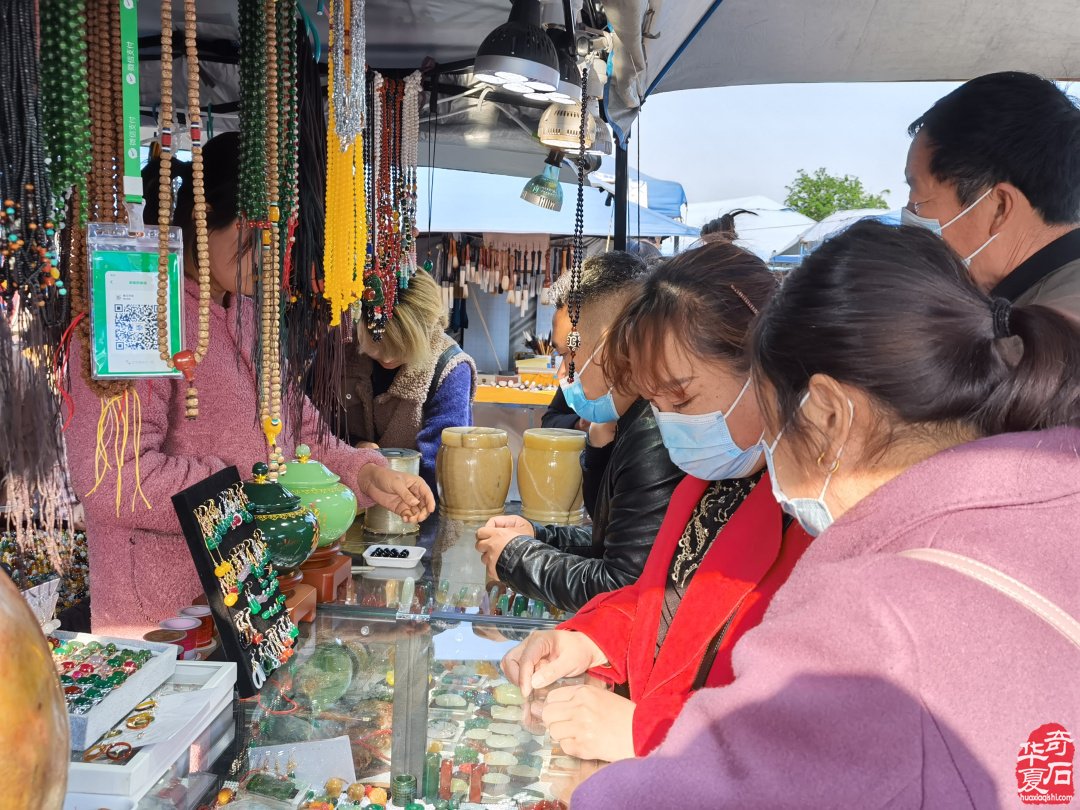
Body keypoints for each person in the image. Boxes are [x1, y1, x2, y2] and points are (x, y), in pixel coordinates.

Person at [568, 221, 1080, 808]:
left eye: (771, 411)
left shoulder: (875, 612)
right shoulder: (1049, 501)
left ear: (831, 415)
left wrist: (640, 736)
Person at [65, 133, 435, 638]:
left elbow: (303, 436)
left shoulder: (246, 313)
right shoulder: (136, 309)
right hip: (160, 620)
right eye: (257, 234)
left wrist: (368, 475)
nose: (272, 254)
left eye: (282, 237)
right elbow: (112, 481)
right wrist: (242, 497)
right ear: (204, 211)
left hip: (250, 602)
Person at [500, 243, 813, 762]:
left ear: (764, 366)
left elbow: (795, 732)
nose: (671, 423)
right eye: (657, 402)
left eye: (682, 398)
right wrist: (585, 642)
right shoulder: (709, 481)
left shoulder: (813, 517)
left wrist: (648, 732)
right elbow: (660, 602)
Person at [475, 251, 683, 613]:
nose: (563, 375)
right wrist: (537, 535)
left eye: (569, 357)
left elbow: (622, 586)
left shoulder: (655, 434)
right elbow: (612, 540)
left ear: (615, 342)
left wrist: (516, 558)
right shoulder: (628, 421)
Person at [904, 71, 1080, 320]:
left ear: (998, 207)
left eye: (916, 196)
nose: (909, 214)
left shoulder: (1037, 342)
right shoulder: (1020, 308)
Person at [333, 269, 477, 493]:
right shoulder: (343, 347)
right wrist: (354, 448)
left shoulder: (450, 368)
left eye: (402, 348)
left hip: (417, 504)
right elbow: (315, 432)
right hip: (342, 499)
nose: (388, 358)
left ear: (428, 333)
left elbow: (441, 464)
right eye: (377, 345)